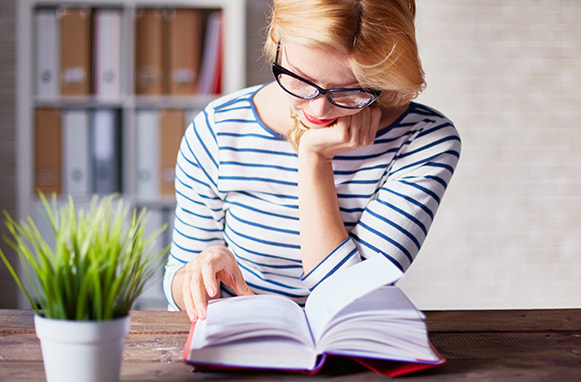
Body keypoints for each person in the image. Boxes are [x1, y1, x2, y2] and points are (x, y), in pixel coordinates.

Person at [163, 0, 461, 322]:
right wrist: (198, 273)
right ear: (276, 38)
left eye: (350, 91)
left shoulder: (424, 141)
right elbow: (175, 282)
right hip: (244, 336)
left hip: (349, 342)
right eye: (300, 80)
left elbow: (348, 295)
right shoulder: (219, 130)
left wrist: (314, 159)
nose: (318, 111)